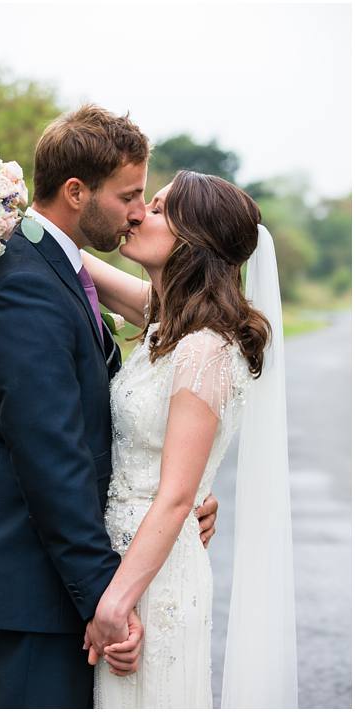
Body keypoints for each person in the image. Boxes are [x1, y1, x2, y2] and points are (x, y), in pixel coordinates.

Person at [0, 105, 220, 708]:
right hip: (33, 593)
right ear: (75, 191)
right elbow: (52, 459)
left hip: (56, 585)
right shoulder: (24, 287)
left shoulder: (53, 266)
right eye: (130, 196)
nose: (138, 212)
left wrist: (177, 501)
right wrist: (103, 598)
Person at [82, 170, 296, 707]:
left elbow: (178, 495)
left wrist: (115, 603)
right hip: (127, 556)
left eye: (154, 209)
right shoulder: (166, 322)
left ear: (191, 241)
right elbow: (75, 258)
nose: (136, 215)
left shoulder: (203, 349)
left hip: (155, 579)